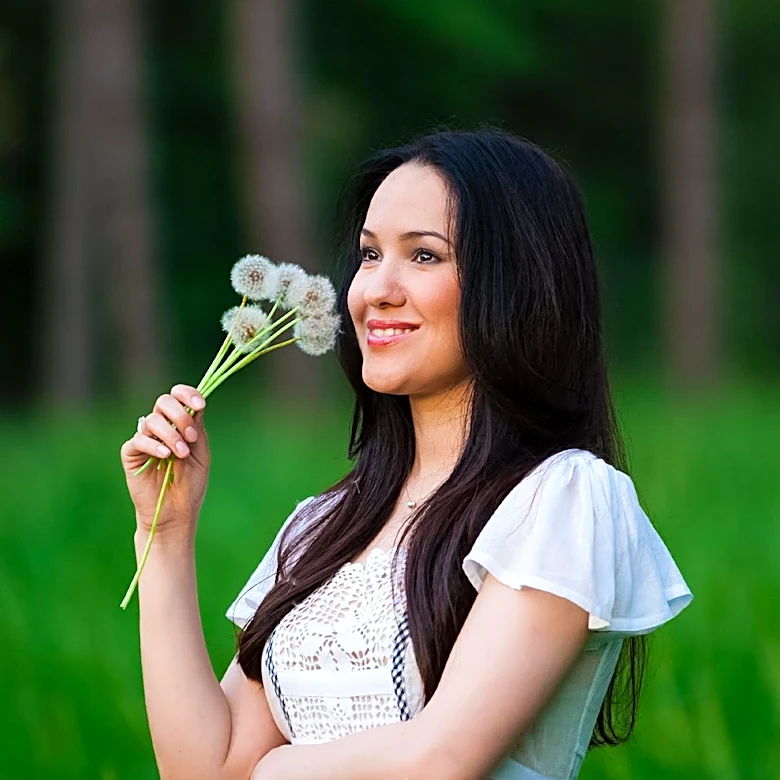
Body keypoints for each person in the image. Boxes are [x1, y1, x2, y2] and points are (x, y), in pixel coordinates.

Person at [120, 127, 693, 780]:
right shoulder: (322, 527)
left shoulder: (561, 501)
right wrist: (163, 536)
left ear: (514, 283)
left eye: (423, 256)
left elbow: (439, 761)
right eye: (369, 254)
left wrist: (272, 771)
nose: (375, 291)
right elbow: (205, 770)